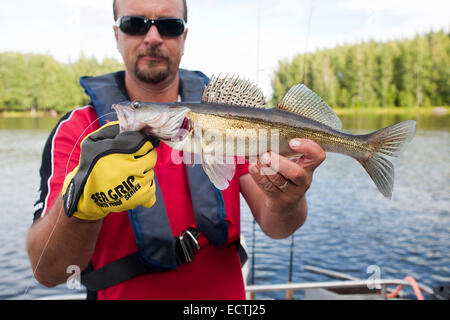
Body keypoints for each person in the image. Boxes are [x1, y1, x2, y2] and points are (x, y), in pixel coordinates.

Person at [26, 0, 325, 300]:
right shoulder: (77, 130)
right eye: (134, 24)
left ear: (184, 38)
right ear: (117, 35)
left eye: (169, 26)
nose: (153, 37)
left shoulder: (228, 118)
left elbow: (277, 225)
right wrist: (81, 207)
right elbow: (47, 271)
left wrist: (287, 200)